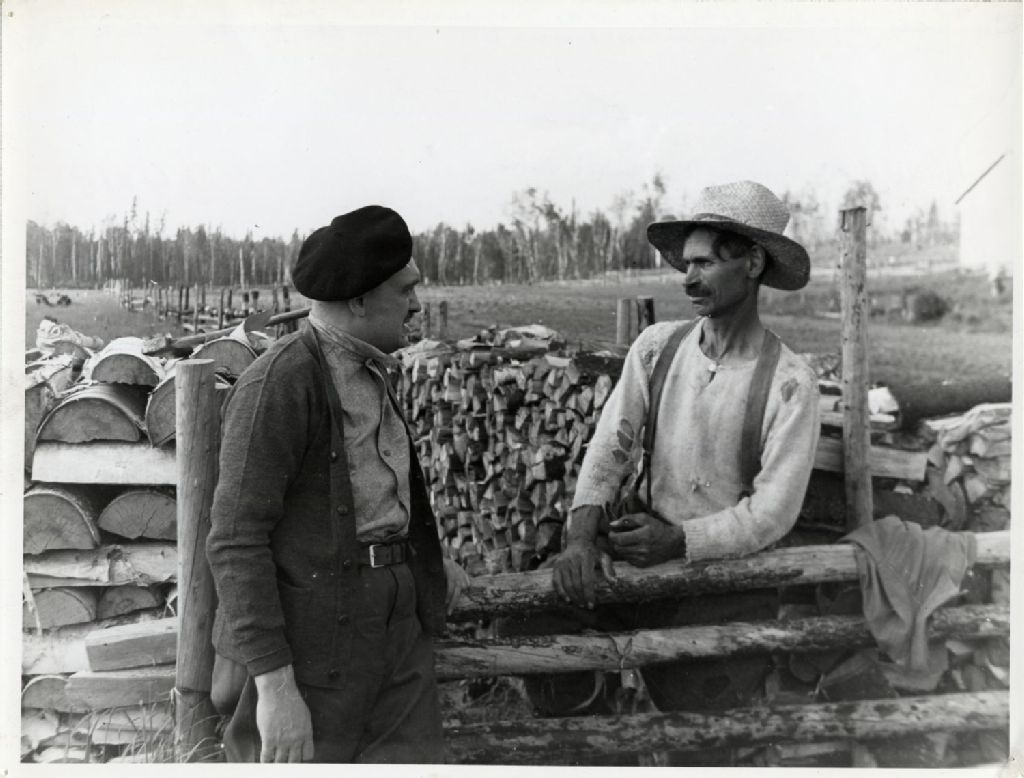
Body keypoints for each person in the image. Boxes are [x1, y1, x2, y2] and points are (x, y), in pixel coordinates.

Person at [546, 181, 822, 755]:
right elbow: (611, 446)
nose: (688, 279)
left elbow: (772, 514)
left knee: (699, 728)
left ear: (753, 263)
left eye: (705, 264)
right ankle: (595, 738)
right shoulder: (656, 348)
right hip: (639, 548)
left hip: (723, 581)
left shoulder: (790, 383)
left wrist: (680, 542)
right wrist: (581, 538)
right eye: (686, 263)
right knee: (540, 630)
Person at [206, 205, 468, 764]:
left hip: (397, 629)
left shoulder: (371, 367)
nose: (417, 305)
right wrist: (277, 690)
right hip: (316, 643)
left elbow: (372, 494)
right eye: (406, 290)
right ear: (360, 300)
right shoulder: (279, 384)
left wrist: (422, 558)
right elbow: (235, 540)